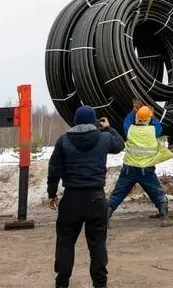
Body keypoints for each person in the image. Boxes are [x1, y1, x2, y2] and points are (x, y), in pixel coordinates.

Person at [47, 105, 124, 288]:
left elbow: (54, 170)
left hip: (71, 200)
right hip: (96, 200)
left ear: (74, 122)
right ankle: (100, 284)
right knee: (97, 245)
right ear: (94, 121)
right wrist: (108, 127)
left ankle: (62, 282)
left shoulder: (63, 140)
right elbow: (120, 144)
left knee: (65, 244)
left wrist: (52, 194)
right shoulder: (104, 138)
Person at [107, 105, 173, 227]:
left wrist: (134, 110)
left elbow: (126, 121)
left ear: (137, 119)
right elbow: (158, 125)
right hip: (146, 170)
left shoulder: (130, 129)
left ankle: (105, 219)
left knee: (118, 194)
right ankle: (165, 219)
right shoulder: (154, 130)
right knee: (157, 194)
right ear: (149, 119)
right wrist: (151, 115)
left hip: (129, 169)